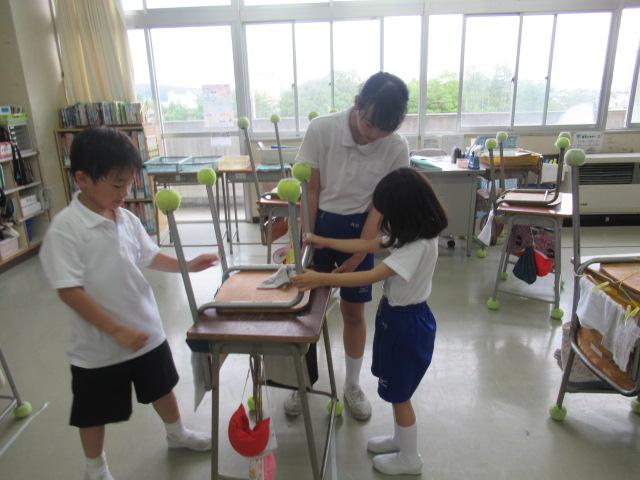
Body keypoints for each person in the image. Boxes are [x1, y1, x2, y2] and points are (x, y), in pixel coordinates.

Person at [39, 127, 219, 480]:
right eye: (117, 184)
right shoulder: (66, 230)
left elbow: (148, 256)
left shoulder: (125, 217)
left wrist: (188, 264)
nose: (126, 192)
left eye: (129, 183)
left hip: (145, 330)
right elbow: (69, 291)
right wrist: (115, 330)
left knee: (162, 387)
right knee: (93, 412)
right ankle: (95, 468)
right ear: (82, 179)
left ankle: (176, 433)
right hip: (97, 347)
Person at [292, 168, 448, 475]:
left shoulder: (415, 247)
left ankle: (410, 458)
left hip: (406, 325)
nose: (385, 220)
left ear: (404, 212)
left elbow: (371, 275)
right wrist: (321, 239)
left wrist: (321, 278)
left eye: (388, 213)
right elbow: (365, 245)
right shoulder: (416, 235)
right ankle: (400, 440)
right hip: (401, 318)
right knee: (397, 391)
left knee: (400, 396)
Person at [282, 71, 410, 421]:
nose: (372, 136)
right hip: (320, 226)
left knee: (354, 313)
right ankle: (301, 383)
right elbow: (310, 191)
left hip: (361, 228)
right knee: (305, 310)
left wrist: (359, 254)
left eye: (383, 131)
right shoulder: (322, 129)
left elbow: (379, 207)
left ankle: (352, 384)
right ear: (357, 104)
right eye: (369, 124)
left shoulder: (396, 147)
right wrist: (304, 242)